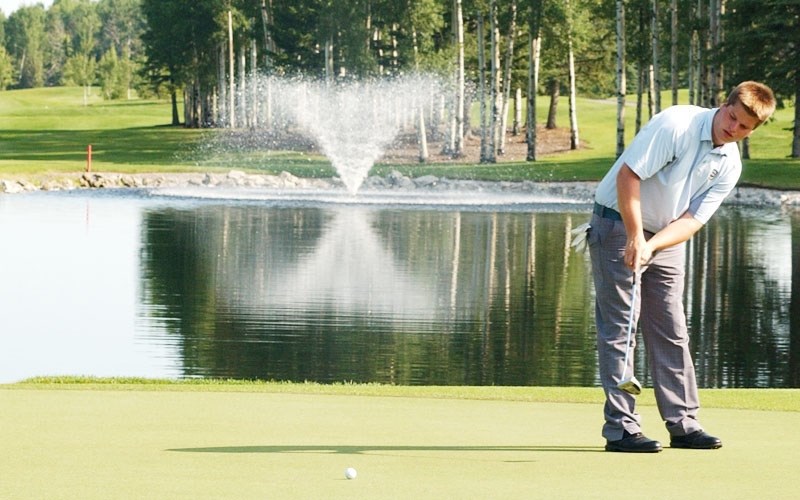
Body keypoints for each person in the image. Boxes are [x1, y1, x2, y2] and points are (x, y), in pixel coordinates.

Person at [587, 81, 776, 452]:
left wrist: (652, 244)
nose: (733, 129)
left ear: (753, 131)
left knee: (672, 328)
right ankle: (622, 429)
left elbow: (693, 219)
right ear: (724, 105)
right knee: (622, 325)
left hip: (667, 235)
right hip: (616, 221)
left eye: (744, 128)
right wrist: (634, 236)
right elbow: (629, 176)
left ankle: (683, 424)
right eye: (732, 118)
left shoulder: (730, 163)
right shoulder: (676, 125)